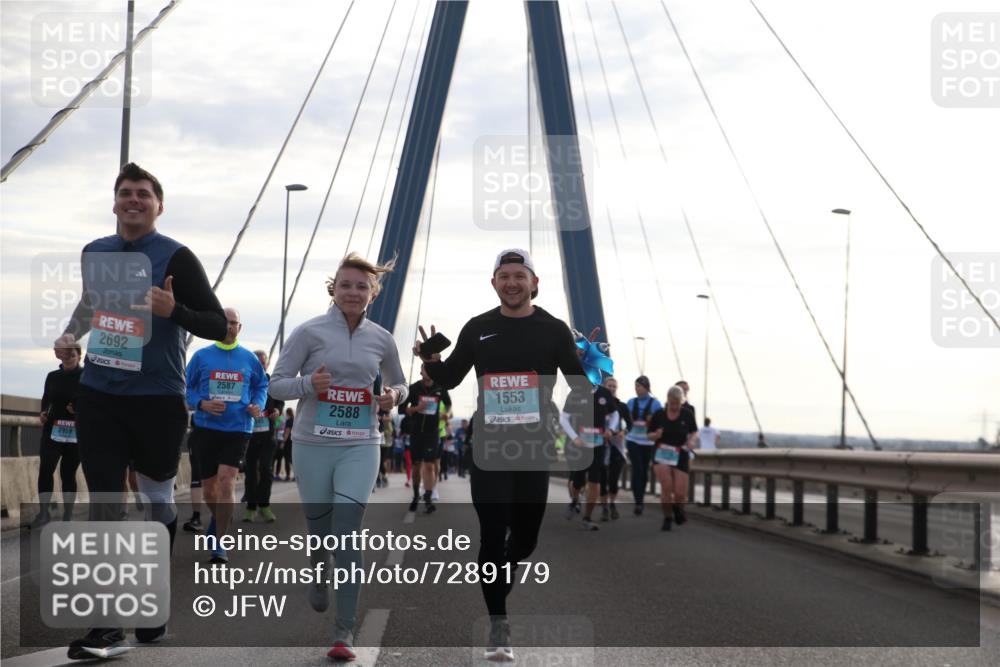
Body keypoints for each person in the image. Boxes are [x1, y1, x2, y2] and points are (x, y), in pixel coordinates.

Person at [54, 163, 227, 658]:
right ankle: (106, 625)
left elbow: (218, 324)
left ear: (158, 205)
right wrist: (72, 335)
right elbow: (91, 305)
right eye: (126, 193)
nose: (134, 200)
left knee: (156, 502)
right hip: (99, 394)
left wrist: (176, 314)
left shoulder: (177, 256)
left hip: (157, 398)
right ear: (114, 202)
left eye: (144, 195)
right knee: (106, 502)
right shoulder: (95, 252)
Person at [415, 248, 588, 661]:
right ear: (494, 283)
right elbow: (450, 378)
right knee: (492, 534)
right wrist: (431, 362)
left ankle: (507, 566)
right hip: (490, 447)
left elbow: (582, 384)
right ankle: (499, 625)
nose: (512, 282)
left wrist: (591, 361)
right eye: (504, 275)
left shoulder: (555, 329)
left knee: (525, 540)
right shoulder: (478, 328)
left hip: (534, 448)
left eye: (520, 275)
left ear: (534, 283)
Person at [269, 252, 407, 662]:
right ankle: (317, 565)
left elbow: (400, 383)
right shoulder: (308, 332)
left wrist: (393, 396)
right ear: (334, 289)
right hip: (312, 444)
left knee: (347, 529)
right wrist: (310, 384)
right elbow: (276, 386)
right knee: (321, 529)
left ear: (373, 293)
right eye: (345, 285)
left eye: (361, 286)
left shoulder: (382, 338)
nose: (352, 292)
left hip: (361, 443)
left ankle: (344, 632)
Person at [185, 308, 268, 562]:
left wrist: (257, 405)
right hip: (206, 428)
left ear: (239, 328)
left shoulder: (249, 358)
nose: (230, 327)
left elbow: (261, 385)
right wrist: (201, 403)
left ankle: (220, 542)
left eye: (234, 323)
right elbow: (186, 387)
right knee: (210, 490)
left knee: (227, 481)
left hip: (238, 428)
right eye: (225, 323)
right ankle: (217, 521)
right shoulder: (201, 356)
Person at [33, 344, 84, 527]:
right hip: (53, 431)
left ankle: (67, 515)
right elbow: (47, 398)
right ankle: (44, 513)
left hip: (76, 434)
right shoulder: (52, 376)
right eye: (65, 355)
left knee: (68, 474)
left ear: (79, 356)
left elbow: (93, 402)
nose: (69, 358)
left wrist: (77, 409)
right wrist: (43, 412)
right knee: (46, 469)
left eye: (72, 355)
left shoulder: (86, 377)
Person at [561, 365, 617, 531]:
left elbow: (615, 414)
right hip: (580, 446)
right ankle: (575, 500)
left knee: (595, 481)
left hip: (598, 444)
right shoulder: (575, 393)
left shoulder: (604, 394)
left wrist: (611, 430)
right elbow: (564, 418)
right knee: (577, 481)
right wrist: (575, 438)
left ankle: (587, 517)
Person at [400, 364, 451, 513]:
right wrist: (416, 409)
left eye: (430, 369)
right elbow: (402, 409)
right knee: (416, 467)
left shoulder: (440, 387)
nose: (427, 372)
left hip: (432, 432)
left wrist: (445, 413)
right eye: (425, 369)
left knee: (430, 465)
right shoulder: (414, 388)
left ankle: (428, 498)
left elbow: (447, 403)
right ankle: (416, 495)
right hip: (416, 433)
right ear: (421, 371)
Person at [648, 385, 698, 531]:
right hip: (661, 453)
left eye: (677, 404)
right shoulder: (659, 415)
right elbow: (649, 435)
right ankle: (667, 517)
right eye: (671, 403)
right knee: (667, 487)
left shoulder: (687, 414)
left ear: (681, 402)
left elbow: (694, 431)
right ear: (667, 401)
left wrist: (692, 440)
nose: (674, 407)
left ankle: (678, 509)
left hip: (680, 453)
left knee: (680, 493)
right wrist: (655, 435)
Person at [243, 350, 284, 522]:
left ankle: (264, 506)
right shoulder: (245, 379)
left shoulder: (271, 381)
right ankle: (251, 508)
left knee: (266, 471)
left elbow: (280, 401)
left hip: (267, 435)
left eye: (263, 362)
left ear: (267, 364)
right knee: (251, 472)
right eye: (257, 362)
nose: (260, 364)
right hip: (249, 434)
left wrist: (277, 410)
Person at [625, 375, 662, 515]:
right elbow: (624, 420)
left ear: (646, 387)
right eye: (635, 386)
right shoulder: (630, 402)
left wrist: (652, 421)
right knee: (637, 469)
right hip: (633, 440)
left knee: (644, 471)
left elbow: (660, 423)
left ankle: (640, 497)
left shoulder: (655, 404)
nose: (636, 389)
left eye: (639, 386)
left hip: (648, 442)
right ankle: (638, 502)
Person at [599, 376, 631, 521]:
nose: (611, 389)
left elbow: (630, 424)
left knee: (613, 479)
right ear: (604, 387)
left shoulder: (622, 406)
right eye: (609, 386)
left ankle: (612, 504)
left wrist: (623, 433)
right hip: (600, 445)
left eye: (614, 387)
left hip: (617, 446)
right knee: (603, 479)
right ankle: (604, 507)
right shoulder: (598, 403)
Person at [274, 407, 295, 480]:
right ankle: (295, 475)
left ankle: (288, 476)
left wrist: (283, 442)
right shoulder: (294, 420)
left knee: (287, 459)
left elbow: (287, 432)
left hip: (288, 442)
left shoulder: (289, 421)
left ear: (287, 413)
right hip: (293, 442)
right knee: (292, 459)